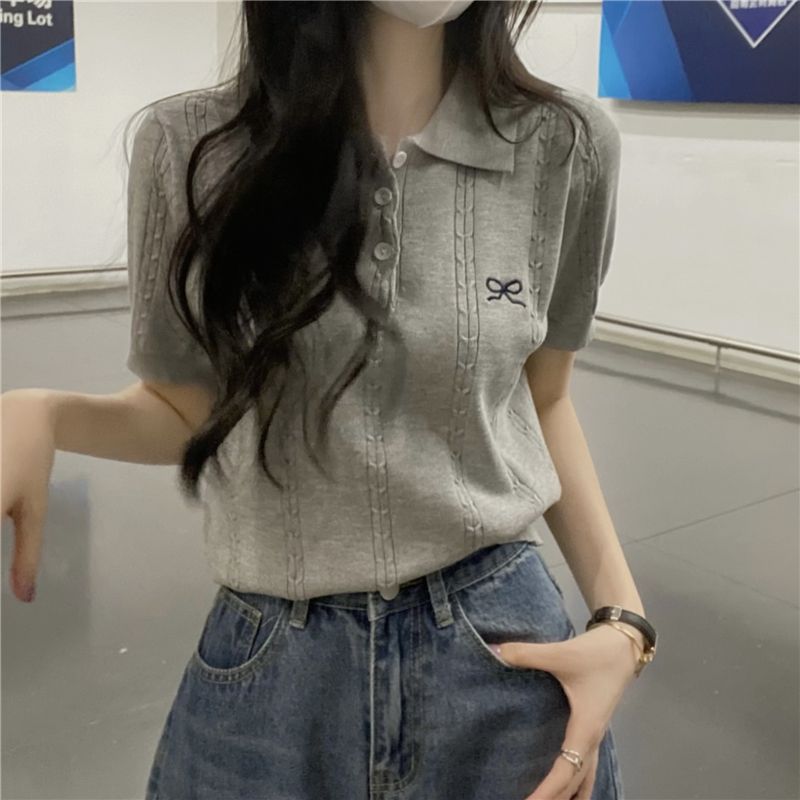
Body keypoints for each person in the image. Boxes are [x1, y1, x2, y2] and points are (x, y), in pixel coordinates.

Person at [1, 1, 658, 798]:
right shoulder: (192, 148)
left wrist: (622, 619)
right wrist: (47, 412)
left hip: (502, 658)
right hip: (271, 676)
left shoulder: (566, 147)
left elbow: (543, 399)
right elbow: (184, 412)